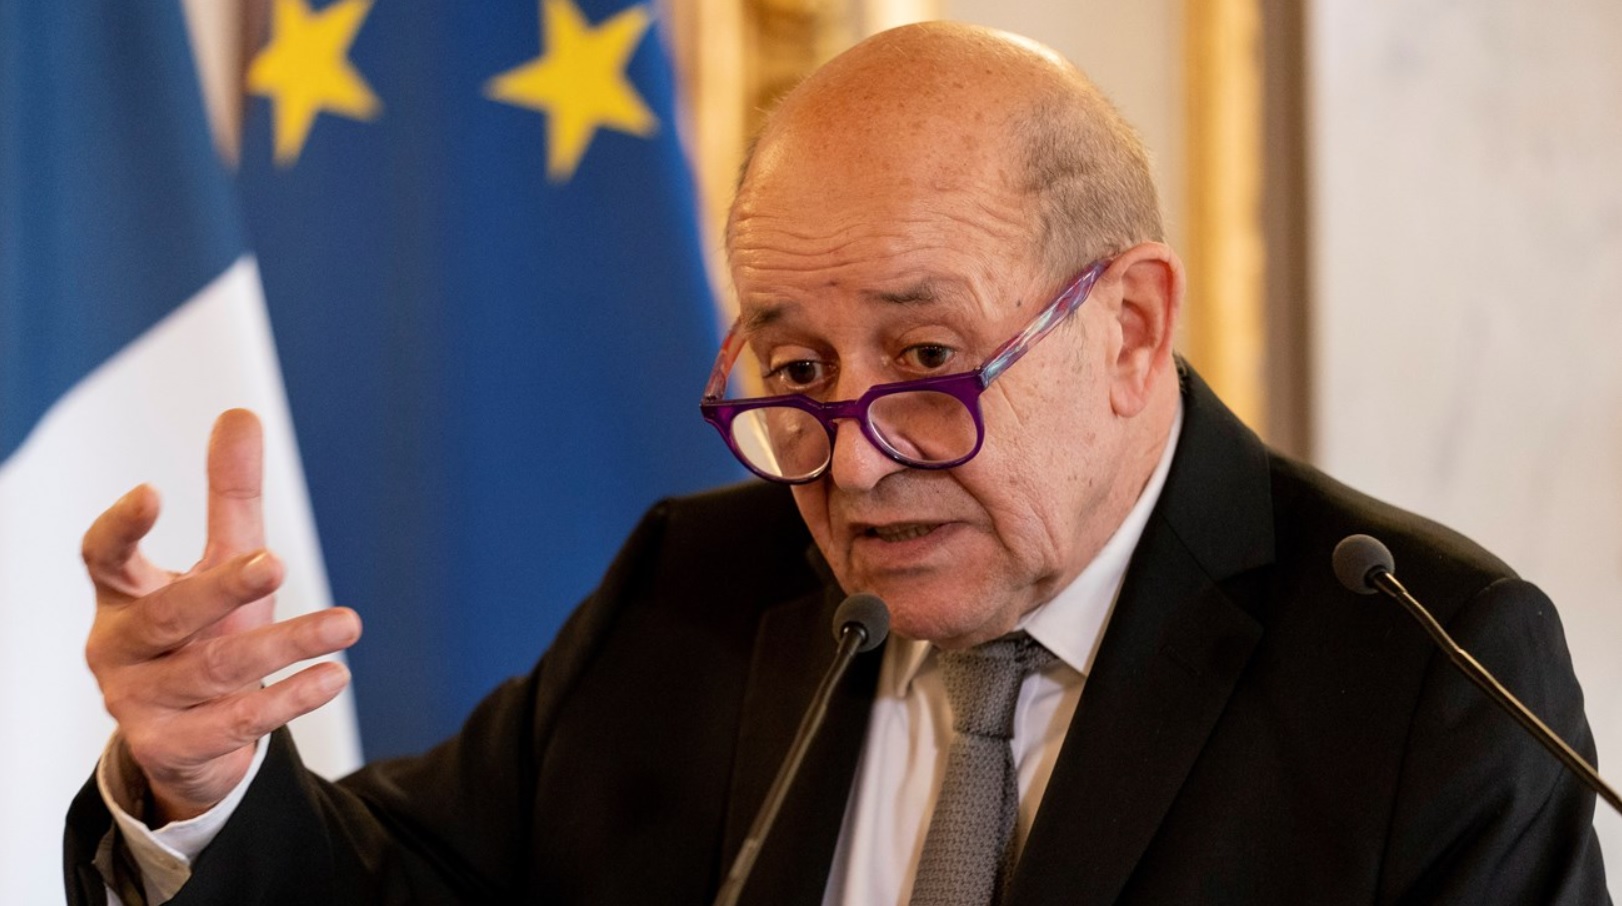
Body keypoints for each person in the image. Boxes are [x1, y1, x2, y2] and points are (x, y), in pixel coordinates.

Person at [66, 21, 1609, 906]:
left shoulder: (1418, 674)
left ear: (1129, 327)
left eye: (927, 360)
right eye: (794, 370)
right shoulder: (695, 590)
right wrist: (199, 782)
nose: (854, 471)